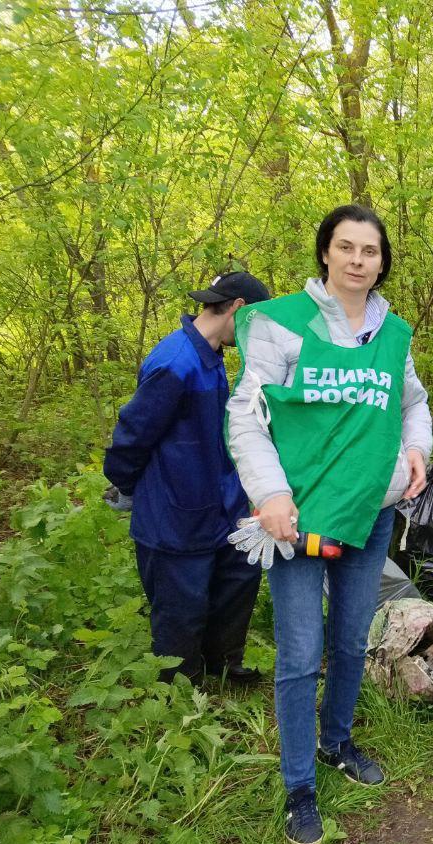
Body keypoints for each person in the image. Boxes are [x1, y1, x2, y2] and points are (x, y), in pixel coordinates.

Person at [226, 204, 432, 844]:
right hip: (300, 518)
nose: (357, 260)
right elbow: (247, 415)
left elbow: (413, 402)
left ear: (381, 262)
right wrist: (271, 493)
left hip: (371, 512)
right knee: (299, 652)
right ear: (326, 253)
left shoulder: (394, 333)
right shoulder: (282, 324)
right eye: (345, 247)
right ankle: (298, 788)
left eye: (369, 252)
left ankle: (336, 740)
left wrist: (417, 449)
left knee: (349, 640)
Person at [104, 272, 271, 686]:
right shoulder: (175, 362)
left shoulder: (211, 357)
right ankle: (181, 687)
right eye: (255, 319)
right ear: (237, 307)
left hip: (221, 503)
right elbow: (133, 434)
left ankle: (223, 664)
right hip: (176, 511)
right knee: (183, 602)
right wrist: (125, 485)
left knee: (239, 577)